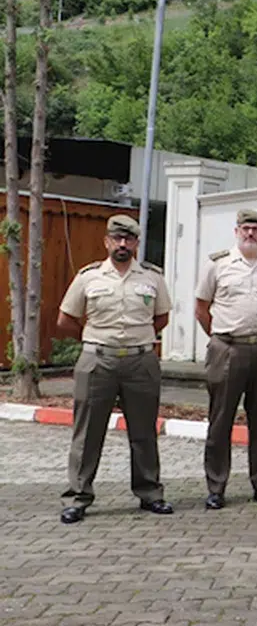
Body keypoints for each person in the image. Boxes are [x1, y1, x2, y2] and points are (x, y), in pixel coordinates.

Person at [54, 214, 173, 524]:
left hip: (140, 361)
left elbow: (161, 318)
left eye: (129, 239)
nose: (123, 244)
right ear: (106, 241)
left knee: (144, 431)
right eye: (117, 239)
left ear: (136, 243)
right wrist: (94, 335)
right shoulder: (88, 277)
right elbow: (65, 319)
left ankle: (150, 493)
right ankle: (78, 497)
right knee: (87, 432)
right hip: (98, 361)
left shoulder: (152, 278)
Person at [194, 208, 257, 510]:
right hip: (226, 348)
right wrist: (221, 337)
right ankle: (216, 487)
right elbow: (201, 307)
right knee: (220, 420)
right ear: (236, 231)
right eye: (246, 228)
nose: (251, 234)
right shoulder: (218, 265)